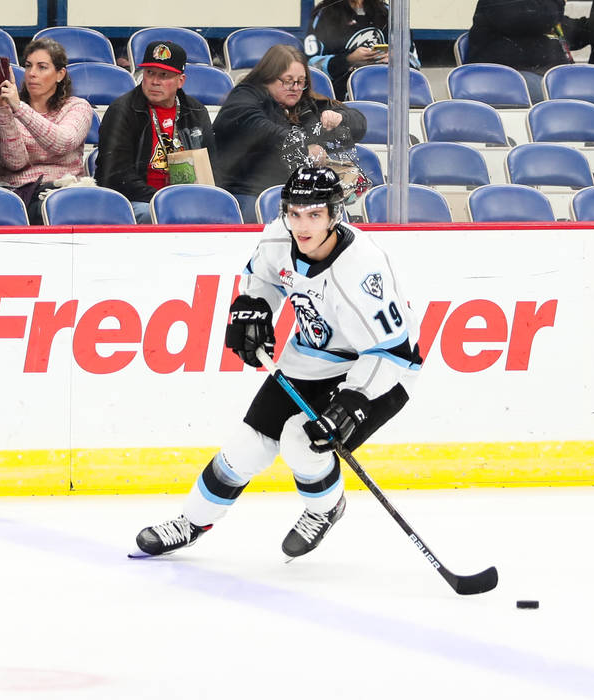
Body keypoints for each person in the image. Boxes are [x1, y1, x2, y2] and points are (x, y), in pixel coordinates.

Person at [132, 166, 422, 560]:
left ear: (335, 214)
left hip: (380, 371)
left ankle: (325, 509)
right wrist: (253, 309)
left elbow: (392, 352)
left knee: (303, 444)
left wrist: (353, 401)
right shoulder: (277, 237)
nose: (302, 225)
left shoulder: (363, 269)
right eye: (294, 212)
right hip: (310, 356)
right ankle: (191, 521)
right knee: (245, 448)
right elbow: (262, 279)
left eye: (314, 214)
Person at [213, 45, 367, 224]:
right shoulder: (244, 96)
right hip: (248, 194)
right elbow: (261, 127)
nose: (295, 88)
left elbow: (360, 124)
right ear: (267, 77)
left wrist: (341, 117)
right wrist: (305, 145)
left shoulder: (306, 103)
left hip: (299, 196)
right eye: (288, 81)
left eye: (301, 81)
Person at [95, 40, 217, 224]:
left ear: (180, 81)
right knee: (160, 215)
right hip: (136, 201)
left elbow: (211, 164)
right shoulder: (122, 110)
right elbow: (116, 174)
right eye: (150, 73)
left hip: (187, 199)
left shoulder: (195, 111)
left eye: (164, 75)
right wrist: (165, 200)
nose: (154, 81)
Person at [0, 38, 93, 224]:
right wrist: (5, 109)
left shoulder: (78, 107)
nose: (31, 74)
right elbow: (15, 163)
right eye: (28, 66)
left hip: (67, 189)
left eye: (42, 67)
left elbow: (63, 142)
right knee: (49, 208)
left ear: (60, 74)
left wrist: (19, 108)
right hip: (22, 191)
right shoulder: (4, 110)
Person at [465, 0, 588, 104]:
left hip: (538, 75)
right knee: (572, 97)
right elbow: (534, 18)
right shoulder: (512, 7)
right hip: (502, 78)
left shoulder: (540, 9)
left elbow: (560, 26)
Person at [304, 0, 421, 102]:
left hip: (390, 91)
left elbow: (414, 62)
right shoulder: (324, 14)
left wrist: (397, 58)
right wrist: (348, 60)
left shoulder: (390, 13)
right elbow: (311, 65)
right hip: (341, 97)